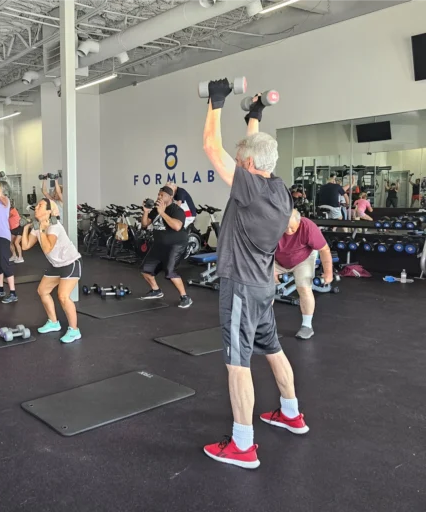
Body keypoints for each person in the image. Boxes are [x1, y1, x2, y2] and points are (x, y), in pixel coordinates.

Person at [202, 86, 307, 470]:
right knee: (274, 349)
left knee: (238, 362)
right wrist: (256, 112)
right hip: (263, 286)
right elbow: (254, 148)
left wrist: (215, 103)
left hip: (241, 287)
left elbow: (213, 148)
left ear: (245, 165)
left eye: (240, 158)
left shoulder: (246, 188)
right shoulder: (279, 190)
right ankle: (291, 413)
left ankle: (243, 444)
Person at [21, 199, 82, 343]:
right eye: (36, 205)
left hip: (70, 263)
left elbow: (48, 248)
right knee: (42, 291)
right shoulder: (38, 227)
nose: (36, 208)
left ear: (48, 211)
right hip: (56, 265)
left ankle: (74, 331)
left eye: (40, 206)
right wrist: (25, 228)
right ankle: (54, 322)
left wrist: (42, 229)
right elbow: (25, 246)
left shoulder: (54, 226)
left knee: (63, 296)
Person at [275, 210, 334, 340]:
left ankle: (307, 326)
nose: (288, 231)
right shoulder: (271, 226)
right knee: (264, 288)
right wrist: (270, 271)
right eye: (285, 227)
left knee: (304, 287)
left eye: (292, 228)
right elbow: (263, 252)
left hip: (303, 258)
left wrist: (329, 273)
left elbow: (324, 249)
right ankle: (263, 325)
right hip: (277, 259)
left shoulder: (308, 227)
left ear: (299, 222)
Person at [138, 186, 192, 308]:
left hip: (176, 245)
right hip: (159, 244)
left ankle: (185, 297)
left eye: (162, 195)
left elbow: (177, 226)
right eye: (158, 194)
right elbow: (145, 224)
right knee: (146, 269)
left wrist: (162, 213)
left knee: (170, 272)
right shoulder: (155, 210)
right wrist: (146, 211)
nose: (159, 197)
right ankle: (156, 290)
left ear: (170, 197)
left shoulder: (177, 210)